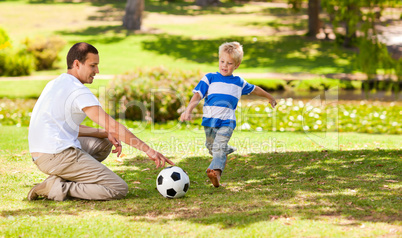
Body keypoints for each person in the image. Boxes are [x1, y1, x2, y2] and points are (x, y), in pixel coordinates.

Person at [27, 42, 174, 201]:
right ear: (77, 64)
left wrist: (105, 133)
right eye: (93, 65)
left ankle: (61, 178)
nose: (97, 71)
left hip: (43, 153)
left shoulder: (57, 83)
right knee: (117, 188)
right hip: (55, 155)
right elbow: (113, 125)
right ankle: (59, 187)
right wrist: (148, 150)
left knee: (104, 141)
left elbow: (67, 126)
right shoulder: (78, 91)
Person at [180, 42, 277, 188]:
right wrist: (188, 110)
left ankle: (216, 174)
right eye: (222, 61)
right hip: (209, 122)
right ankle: (227, 150)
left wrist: (269, 97)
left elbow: (255, 89)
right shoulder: (210, 78)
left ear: (236, 65)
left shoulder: (238, 82)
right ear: (218, 60)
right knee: (211, 147)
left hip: (227, 122)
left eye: (229, 63)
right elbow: (197, 96)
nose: (224, 66)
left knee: (218, 147)